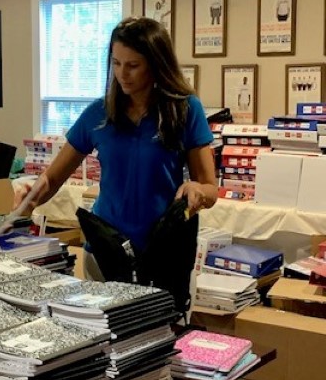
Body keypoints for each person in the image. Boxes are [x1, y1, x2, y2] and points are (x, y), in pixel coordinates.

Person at [14, 16, 217, 308]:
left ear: (156, 64)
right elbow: (53, 178)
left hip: (162, 254)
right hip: (105, 251)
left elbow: (211, 189)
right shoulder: (99, 113)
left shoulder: (185, 110)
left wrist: (197, 190)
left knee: (155, 343)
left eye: (133, 65)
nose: (123, 74)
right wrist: (30, 197)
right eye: (116, 63)